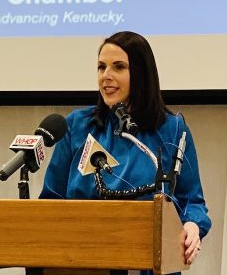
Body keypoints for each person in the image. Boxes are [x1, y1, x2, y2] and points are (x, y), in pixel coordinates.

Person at [39, 31, 211, 274]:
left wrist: (192, 225)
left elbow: (191, 200)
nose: (106, 76)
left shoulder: (172, 129)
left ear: (140, 74)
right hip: (84, 263)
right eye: (101, 67)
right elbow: (51, 201)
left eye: (118, 67)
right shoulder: (78, 126)